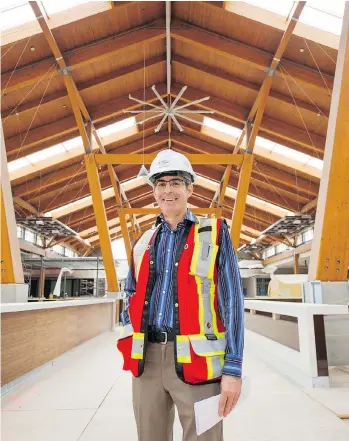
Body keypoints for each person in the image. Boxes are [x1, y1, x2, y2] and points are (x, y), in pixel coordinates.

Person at [117, 149, 244, 441]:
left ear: (190, 189)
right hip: (146, 362)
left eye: (175, 182)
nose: (168, 190)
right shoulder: (144, 242)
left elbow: (233, 303)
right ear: (154, 191)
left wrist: (233, 369)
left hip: (199, 363)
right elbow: (131, 293)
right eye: (160, 184)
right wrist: (129, 334)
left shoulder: (214, 234)